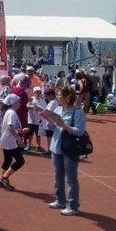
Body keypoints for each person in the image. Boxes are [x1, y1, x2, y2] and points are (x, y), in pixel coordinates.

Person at [47, 86, 86, 216]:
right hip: (56, 147)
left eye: (59, 95)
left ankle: (73, 206)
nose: (57, 97)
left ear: (67, 97)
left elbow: (80, 131)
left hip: (70, 149)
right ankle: (60, 200)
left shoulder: (77, 112)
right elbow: (52, 127)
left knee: (71, 178)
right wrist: (50, 121)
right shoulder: (58, 109)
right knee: (58, 175)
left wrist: (64, 125)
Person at [0, 94, 27, 191]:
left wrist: (20, 131)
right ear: (13, 103)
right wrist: (19, 138)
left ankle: (2, 180)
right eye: (18, 102)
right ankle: (4, 178)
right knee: (20, 161)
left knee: (8, 160)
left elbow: (11, 127)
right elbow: (10, 127)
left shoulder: (9, 111)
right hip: (9, 140)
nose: (20, 103)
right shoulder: (12, 113)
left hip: (5, 139)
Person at [26, 87, 47, 153]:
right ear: (34, 93)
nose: (38, 93)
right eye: (36, 92)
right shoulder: (31, 99)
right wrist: (33, 107)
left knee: (38, 134)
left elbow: (44, 109)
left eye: (39, 92)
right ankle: (29, 145)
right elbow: (27, 106)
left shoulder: (43, 100)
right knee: (30, 134)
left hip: (39, 120)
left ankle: (39, 146)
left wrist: (41, 118)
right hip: (31, 120)